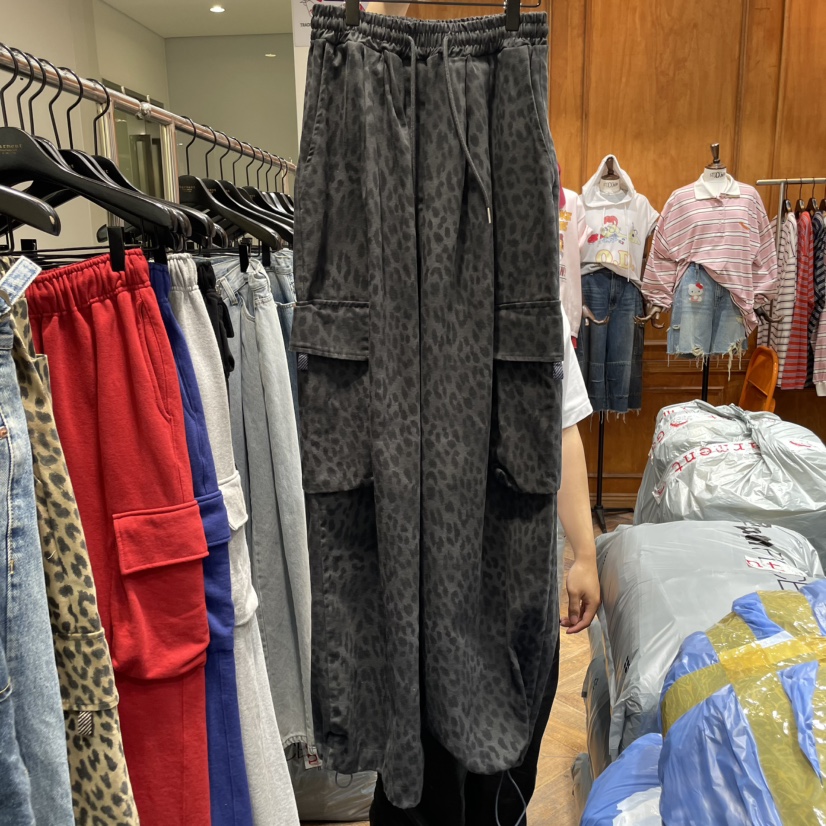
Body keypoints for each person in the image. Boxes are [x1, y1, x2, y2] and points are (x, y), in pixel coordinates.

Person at [370, 309, 601, 825]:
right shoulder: (395, 294)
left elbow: (563, 427)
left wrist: (584, 554)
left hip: (515, 575)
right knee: (419, 764)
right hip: (418, 581)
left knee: (507, 762)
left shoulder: (534, 302)